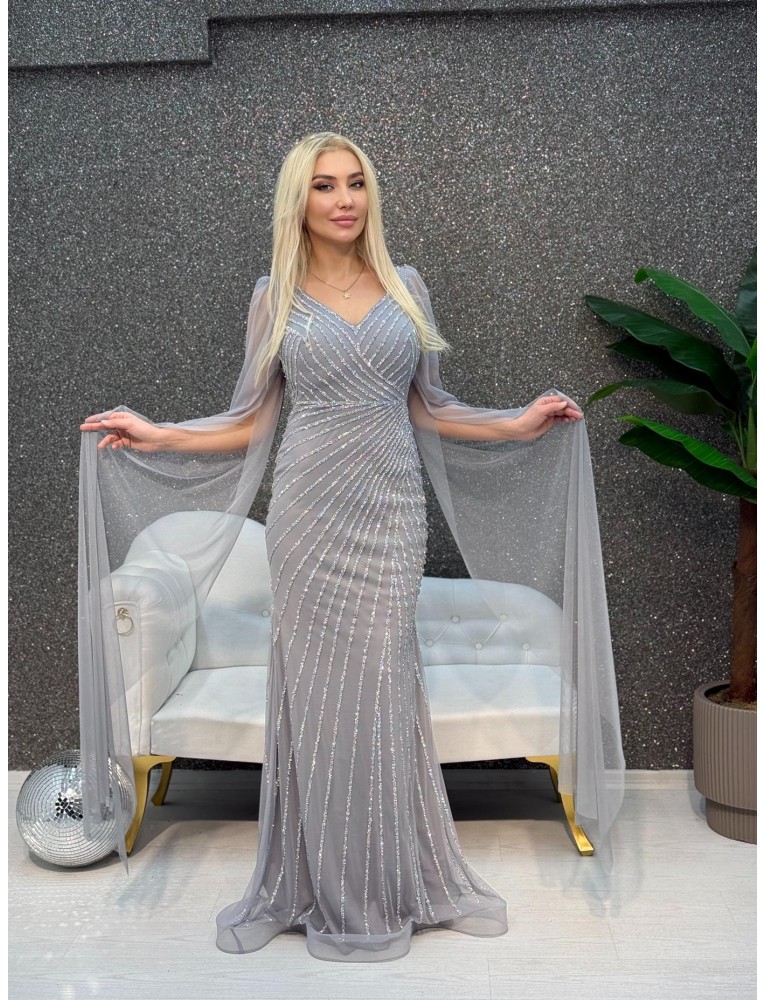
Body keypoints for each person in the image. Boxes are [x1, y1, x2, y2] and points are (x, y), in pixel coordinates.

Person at [79, 132, 621, 964]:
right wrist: (159, 433)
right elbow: (250, 422)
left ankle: (393, 876)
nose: (344, 200)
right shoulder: (274, 296)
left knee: (380, 688)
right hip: (309, 516)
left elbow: (430, 406)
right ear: (298, 201)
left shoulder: (406, 286)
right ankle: (317, 880)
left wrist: (516, 424)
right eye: (326, 185)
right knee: (320, 699)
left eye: (356, 183)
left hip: (390, 516)